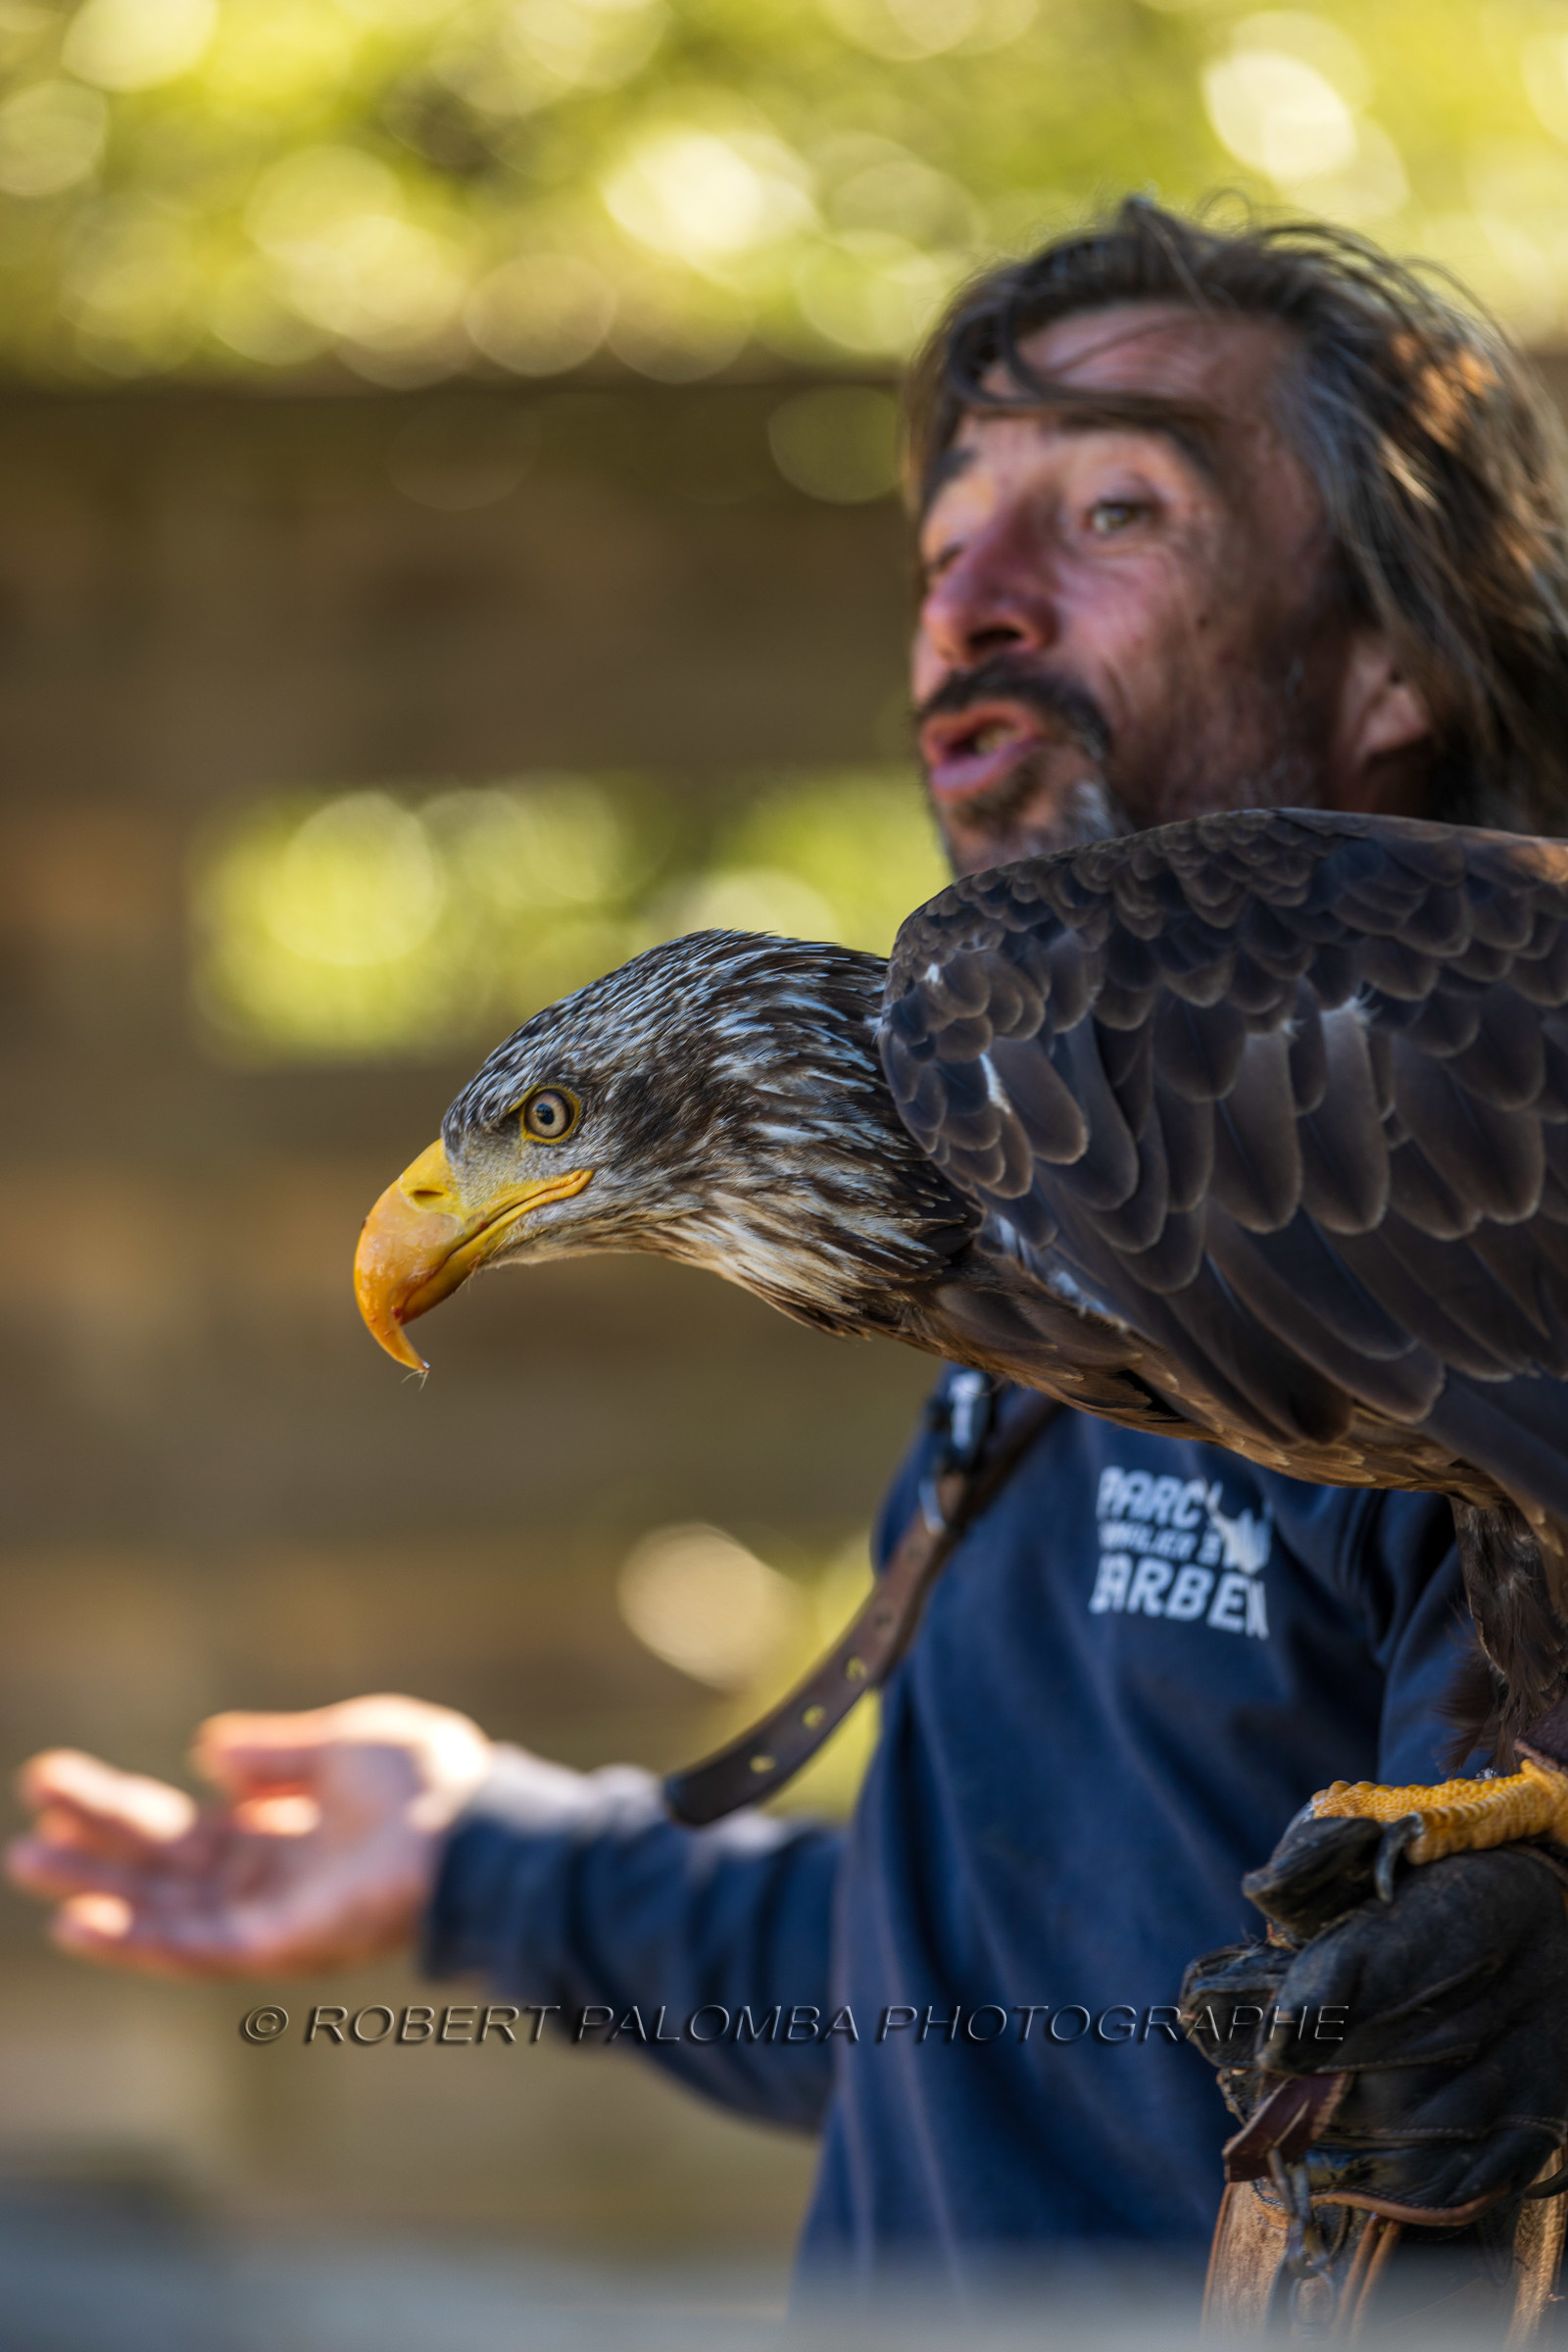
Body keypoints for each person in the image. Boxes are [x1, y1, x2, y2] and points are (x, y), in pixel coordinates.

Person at [12, 199, 1568, 2308]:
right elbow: (1000, 1991)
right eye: (938, 552)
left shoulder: (1299, 1088)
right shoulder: (1012, 1228)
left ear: (1389, 662)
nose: (975, 608)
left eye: (1113, 510)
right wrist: (490, 1869)